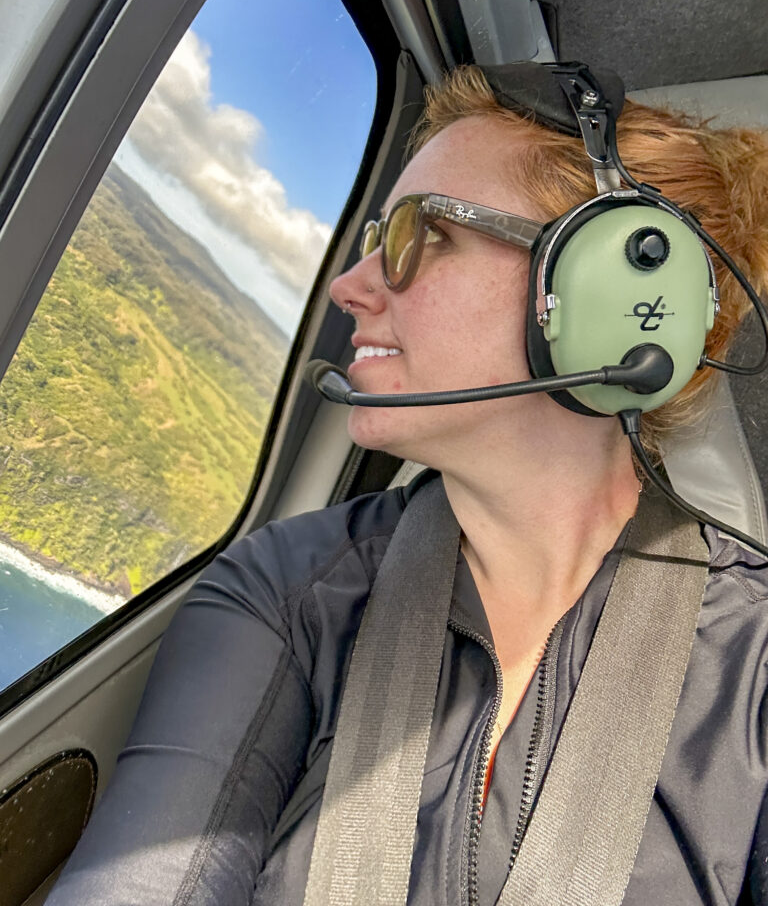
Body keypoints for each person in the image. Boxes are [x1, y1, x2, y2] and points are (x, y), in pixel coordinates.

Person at [47, 65, 768, 906]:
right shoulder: (287, 589)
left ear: (612, 295)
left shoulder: (751, 664)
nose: (348, 289)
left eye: (419, 236)